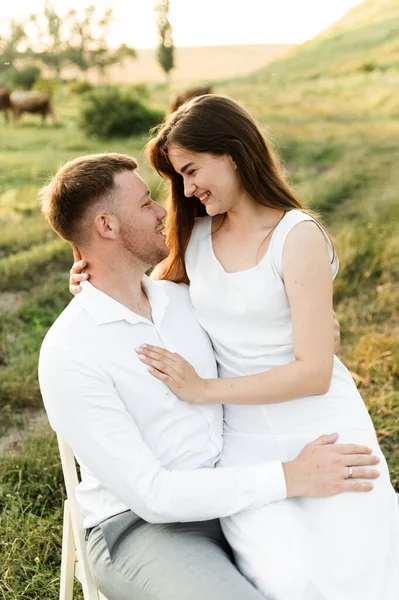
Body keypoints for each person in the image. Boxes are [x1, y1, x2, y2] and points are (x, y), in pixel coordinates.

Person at [40, 153, 381, 600]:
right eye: (146, 204)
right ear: (107, 226)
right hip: (145, 528)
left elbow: (258, 334)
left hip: (239, 493)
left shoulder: (184, 300)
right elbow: (153, 496)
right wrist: (290, 477)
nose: (165, 209)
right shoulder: (72, 350)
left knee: (344, 571)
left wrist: (315, 331)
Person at [131, 94, 398, 600]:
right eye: (179, 179)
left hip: (322, 421)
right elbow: (148, 296)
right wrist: (87, 281)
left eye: (192, 170)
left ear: (231, 153)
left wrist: (203, 389)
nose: (187, 190)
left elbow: (315, 372)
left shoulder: (296, 235)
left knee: (359, 573)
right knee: (283, 577)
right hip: (246, 442)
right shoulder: (195, 236)